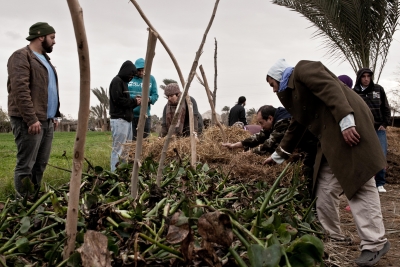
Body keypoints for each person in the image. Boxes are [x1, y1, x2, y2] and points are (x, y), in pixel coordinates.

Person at [264, 59, 389, 267]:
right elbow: (297, 124)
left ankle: (375, 243)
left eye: (271, 84)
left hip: (349, 128)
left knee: (359, 182)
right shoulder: (294, 94)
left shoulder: (303, 69)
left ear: (278, 76)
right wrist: (278, 155)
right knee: (324, 187)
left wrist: (346, 120)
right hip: (333, 138)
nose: (273, 89)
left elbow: (330, 87)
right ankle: (333, 235)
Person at [7, 22, 60, 195]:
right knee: (26, 165)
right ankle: (23, 207)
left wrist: (54, 115)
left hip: (46, 120)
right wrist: (31, 118)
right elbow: (20, 90)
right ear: (40, 36)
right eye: (52, 37)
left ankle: (34, 200)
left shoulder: (46, 59)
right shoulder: (21, 56)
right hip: (29, 120)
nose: (54, 42)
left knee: (40, 163)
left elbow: (48, 90)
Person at [353, 68, 391, 193]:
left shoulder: (378, 89)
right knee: (364, 155)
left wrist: (385, 123)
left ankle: (380, 183)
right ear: (359, 78)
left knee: (380, 154)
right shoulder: (354, 92)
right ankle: (366, 182)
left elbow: (385, 107)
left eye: (368, 76)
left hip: (378, 128)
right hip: (363, 129)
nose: (366, 79)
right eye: (364, 76)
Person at [109, 60, 141, 171]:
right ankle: (114, 172)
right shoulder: (117, 81)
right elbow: (118, 100)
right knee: (118, 149)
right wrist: (134, 102)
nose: (131, 77)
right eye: (130, 75)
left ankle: (123, 171)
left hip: (126, 120)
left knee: (126, 149)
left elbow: (125, 102)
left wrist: (134, 102)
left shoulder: (124, 83)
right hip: (119, 120)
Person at [222, 105, 291, 155]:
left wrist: (249, 153)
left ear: (270, 118)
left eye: (261, 123)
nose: (261, 126)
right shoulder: (274, 119)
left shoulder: (283, 122)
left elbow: (269, 145)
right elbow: (259, 137)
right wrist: (234, 145)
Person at [127, 58, 159, 140]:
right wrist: (134, 98)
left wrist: (148, 99)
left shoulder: (151, 79)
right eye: (139, 70)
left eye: (143, 70)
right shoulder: (130, 78)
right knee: (132, 141)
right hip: (132, 115)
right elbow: (125, 94)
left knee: (144, 141)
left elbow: (155, 95)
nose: (141, 73)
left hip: (145, 116)